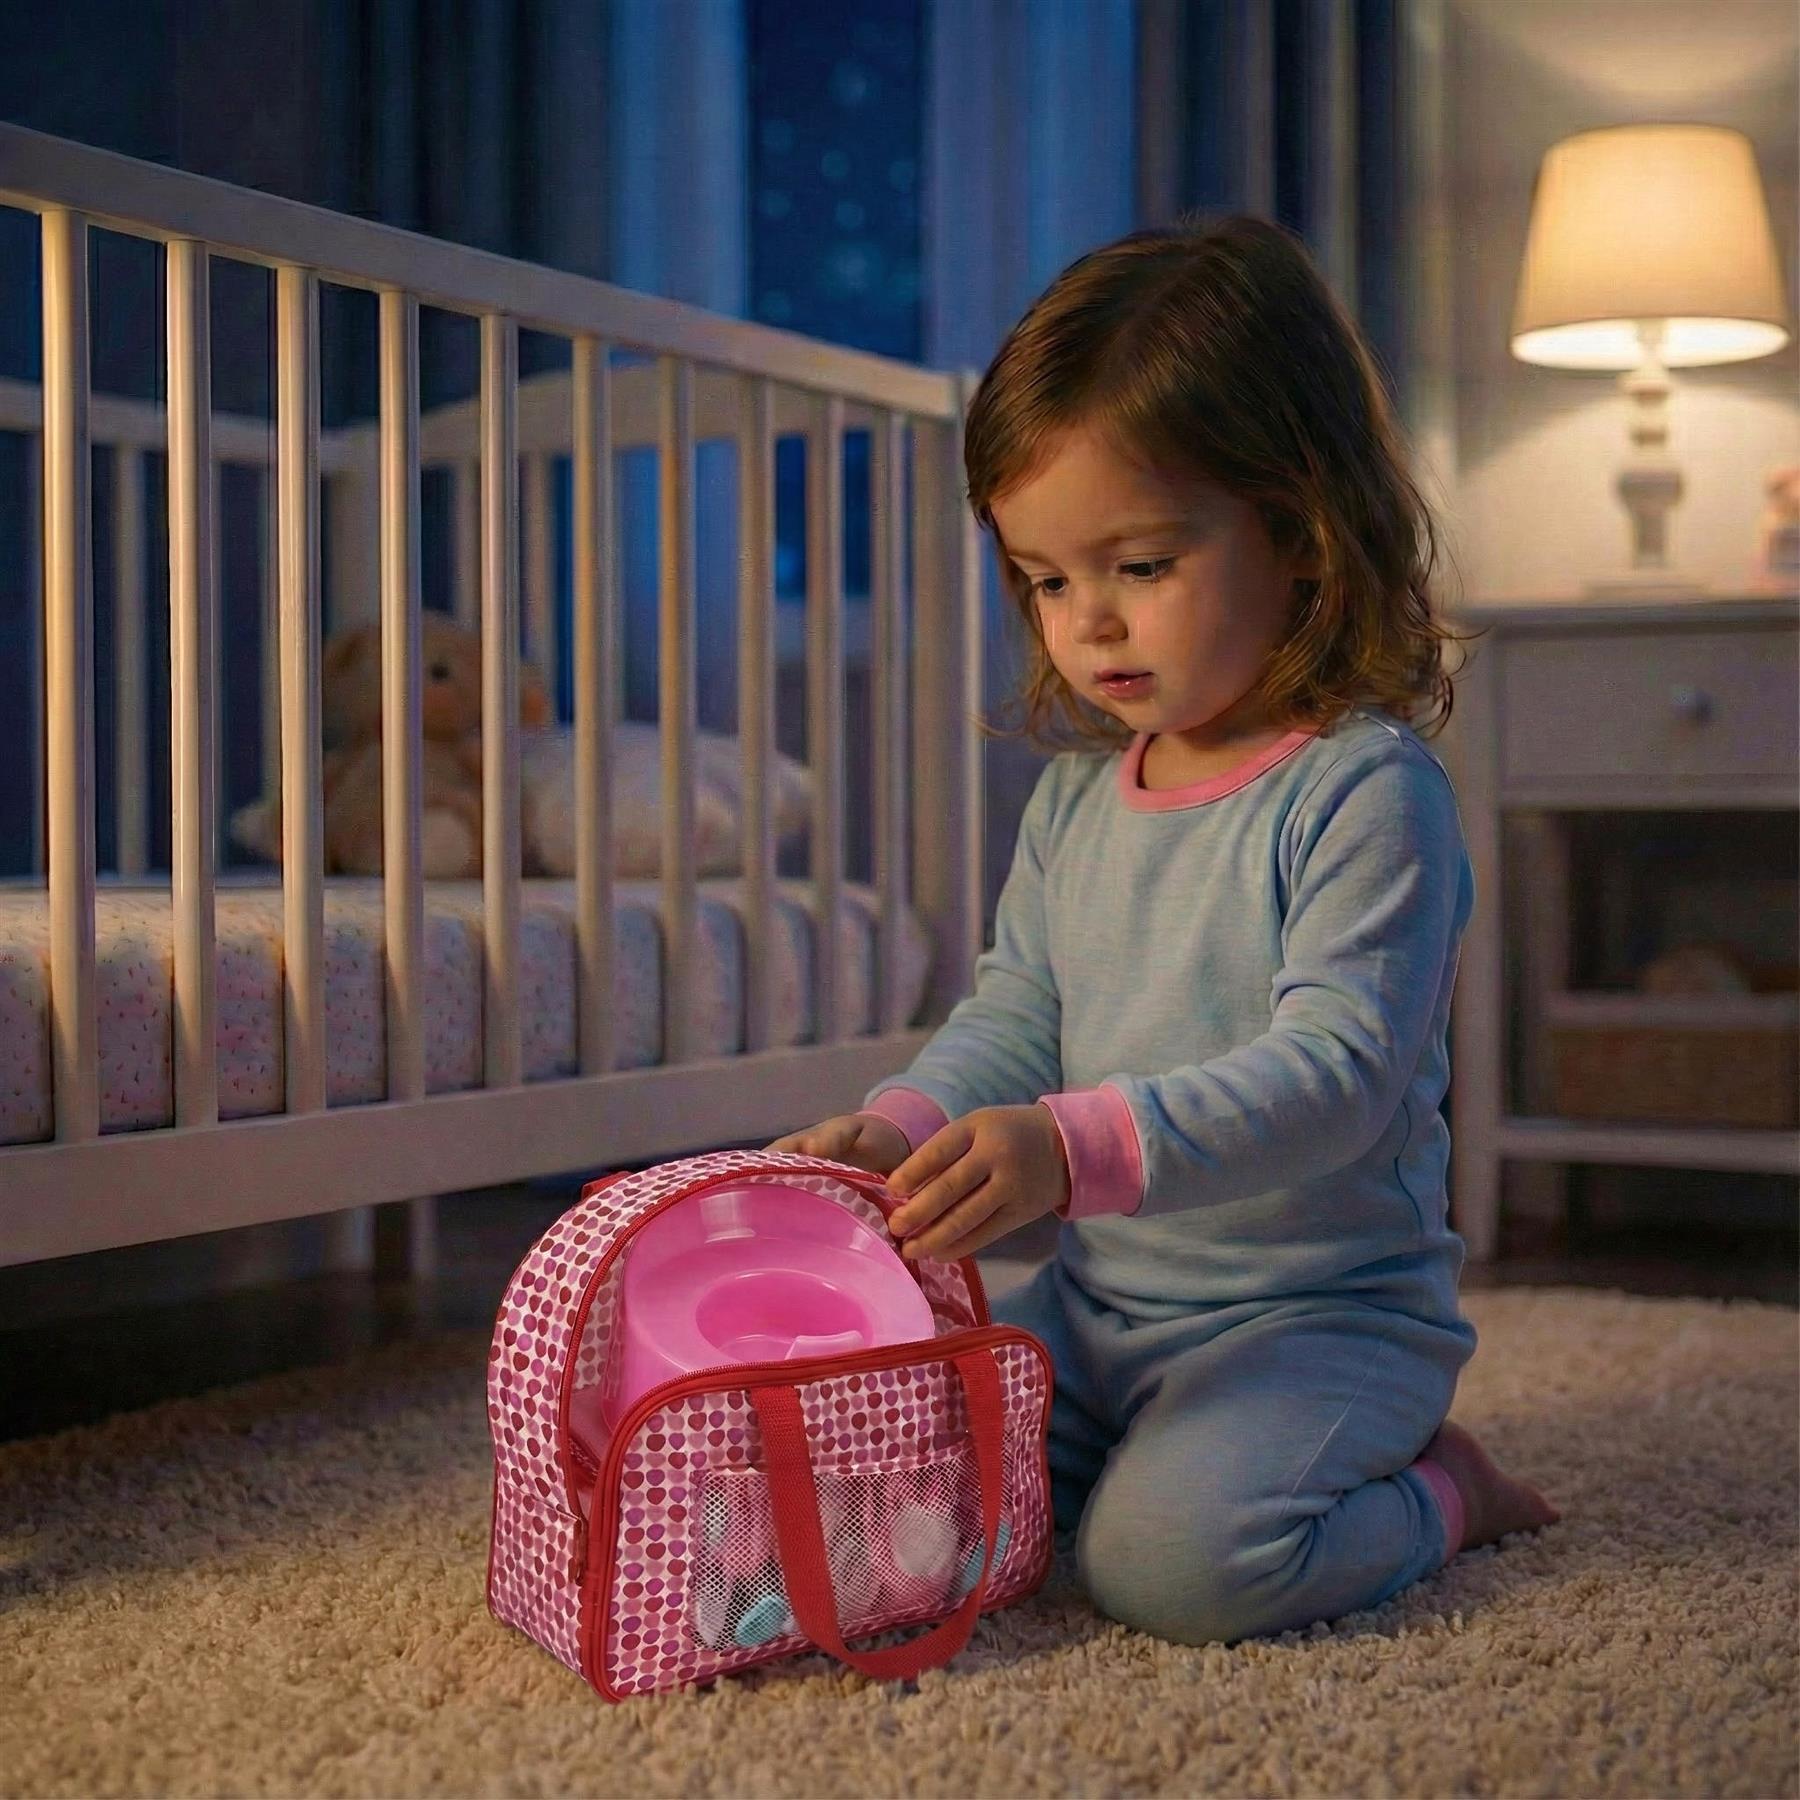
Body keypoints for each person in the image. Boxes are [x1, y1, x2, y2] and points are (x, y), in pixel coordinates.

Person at [770, 215, 1557, 1647]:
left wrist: (1072, 1151)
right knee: (912, 1511)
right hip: (1103, 1314)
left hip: (1319, 1323)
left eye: (1137, 565)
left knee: (1172, 1573)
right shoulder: (1080, 801)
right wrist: (901, 1126)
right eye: (1047, 581)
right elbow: (1016, 1011)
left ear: (1299, 530)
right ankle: (1133, 1455)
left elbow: (1337, 1075)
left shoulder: (1366, 790)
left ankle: (1445, 1491)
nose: (1089, 627)